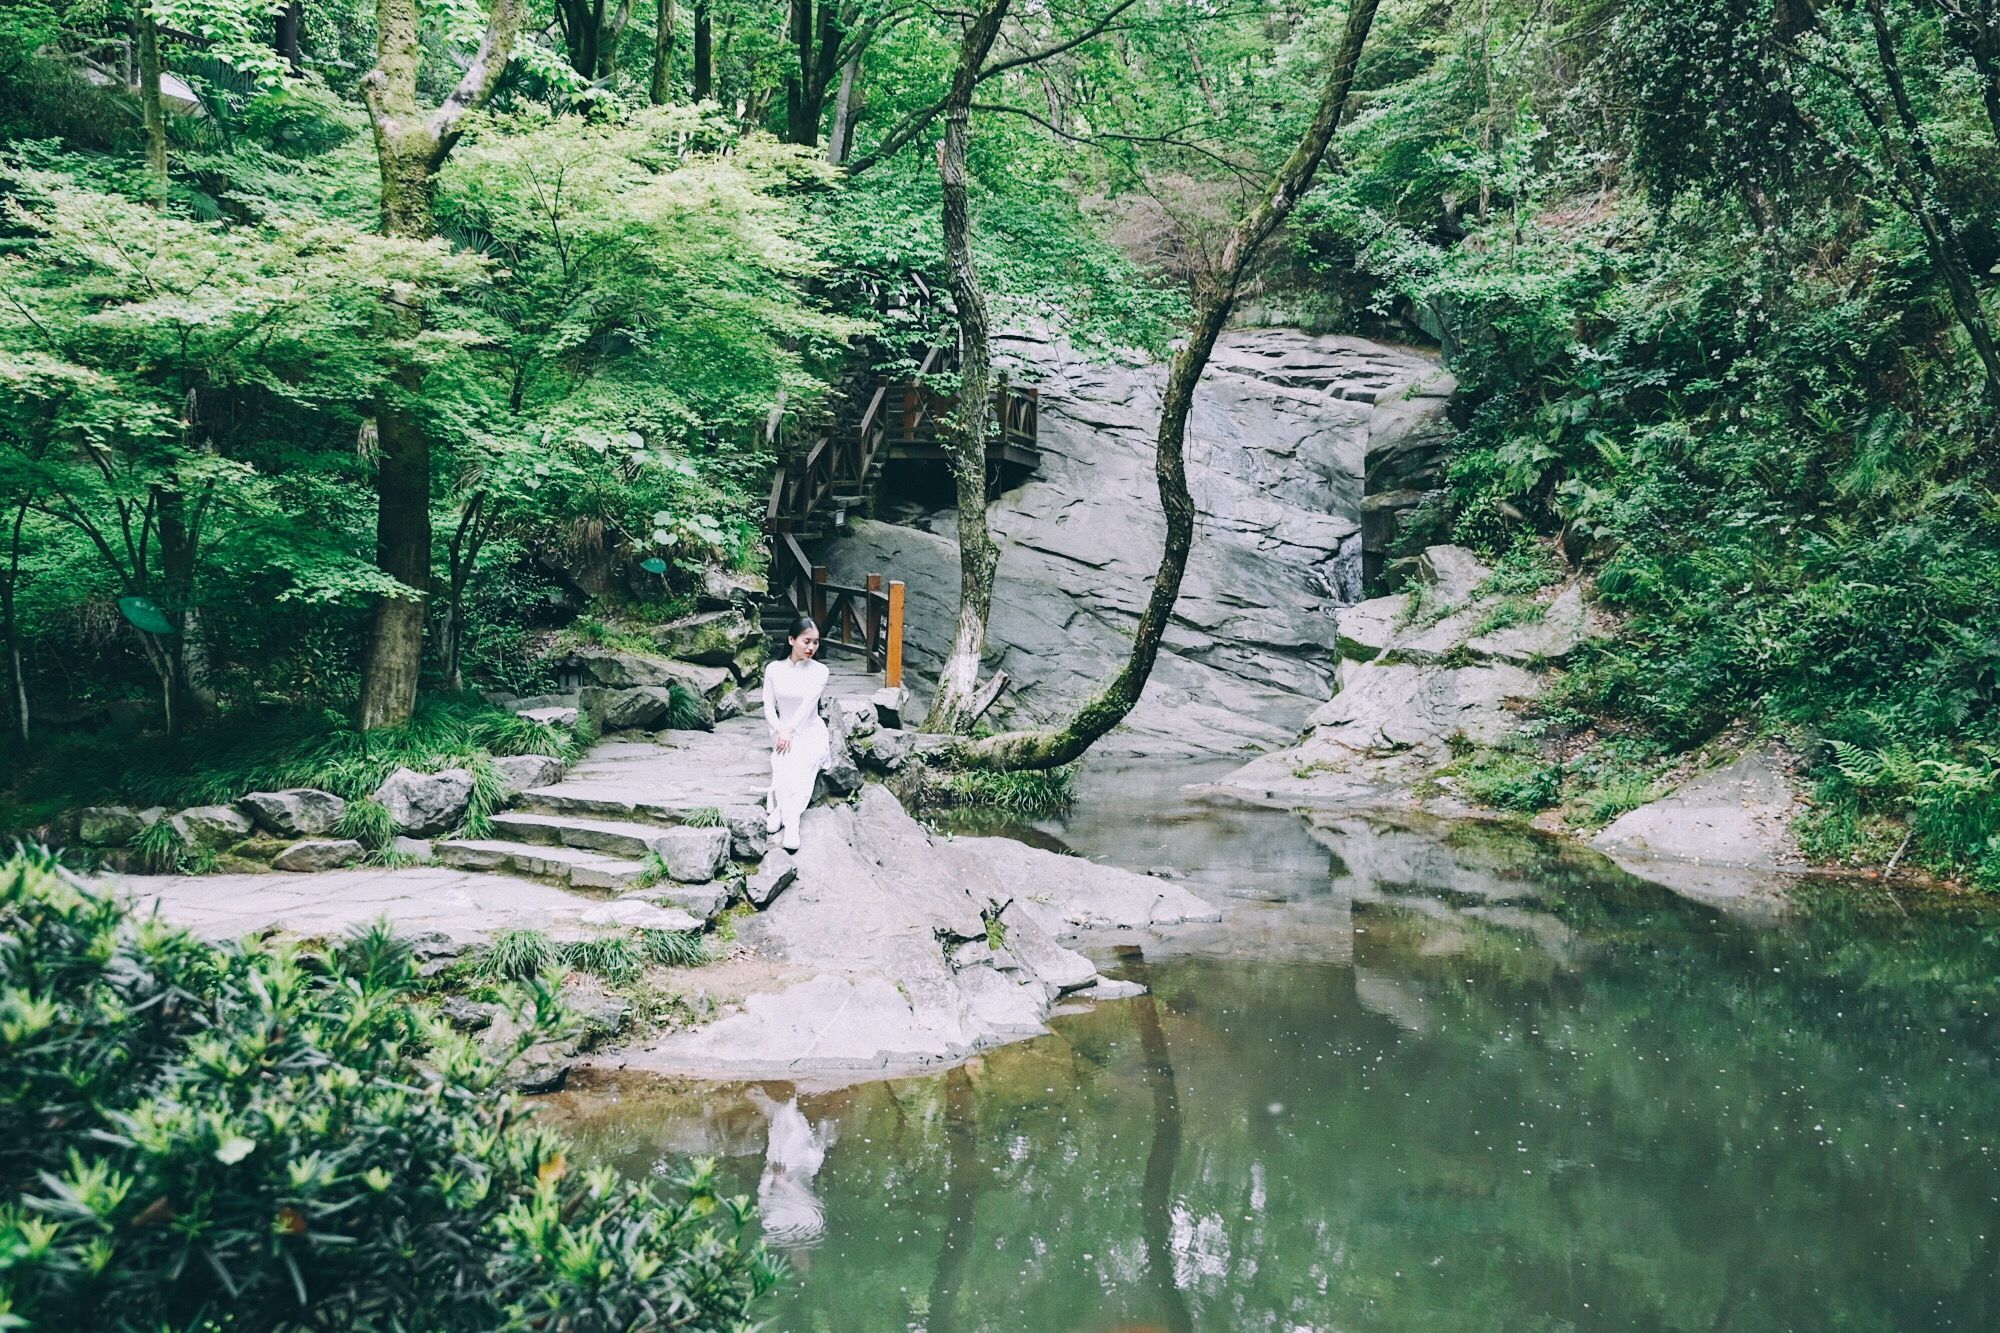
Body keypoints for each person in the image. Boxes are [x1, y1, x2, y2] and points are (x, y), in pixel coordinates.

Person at [762, 615, 829, 852]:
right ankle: (782, 811)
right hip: (780, 730)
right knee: (782, 759)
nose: (811, 647)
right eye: (806, 641)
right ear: (791, 639)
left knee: (800, 762)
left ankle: (790, 820)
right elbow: (769, 706)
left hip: (808, 729)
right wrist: (781, 730)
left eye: (815, 643)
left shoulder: (820, 671)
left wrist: (790, 731)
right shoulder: (773, 669)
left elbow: (808, 705)